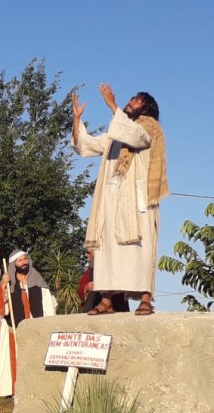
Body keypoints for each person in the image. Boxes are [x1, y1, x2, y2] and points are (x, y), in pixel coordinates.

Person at [72, 84, 169, 316]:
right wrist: (76, 120)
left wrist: (113, 106)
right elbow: (87, 145)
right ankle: (107, 300)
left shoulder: (149, 127)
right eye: (131, 99)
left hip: (138, 201)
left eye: (136, 100)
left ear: (146, 108)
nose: (130, 102)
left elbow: (136, 137)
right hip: (112, 200)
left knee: (140, 248)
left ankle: (145, 299)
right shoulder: (117, 131)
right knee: (109, 250)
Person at [0, 250, 56, 397]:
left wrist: (48, 324)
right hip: (15, 329)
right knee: (17, 358)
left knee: (36, 356)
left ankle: (37, 386)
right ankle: (16, 389)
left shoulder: (38, 281)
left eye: (25, 259)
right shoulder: (8, 284)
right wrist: (2, 286)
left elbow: (49, 304)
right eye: (19, 260)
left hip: (36, 327)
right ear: (14, 265)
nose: (24, 262)